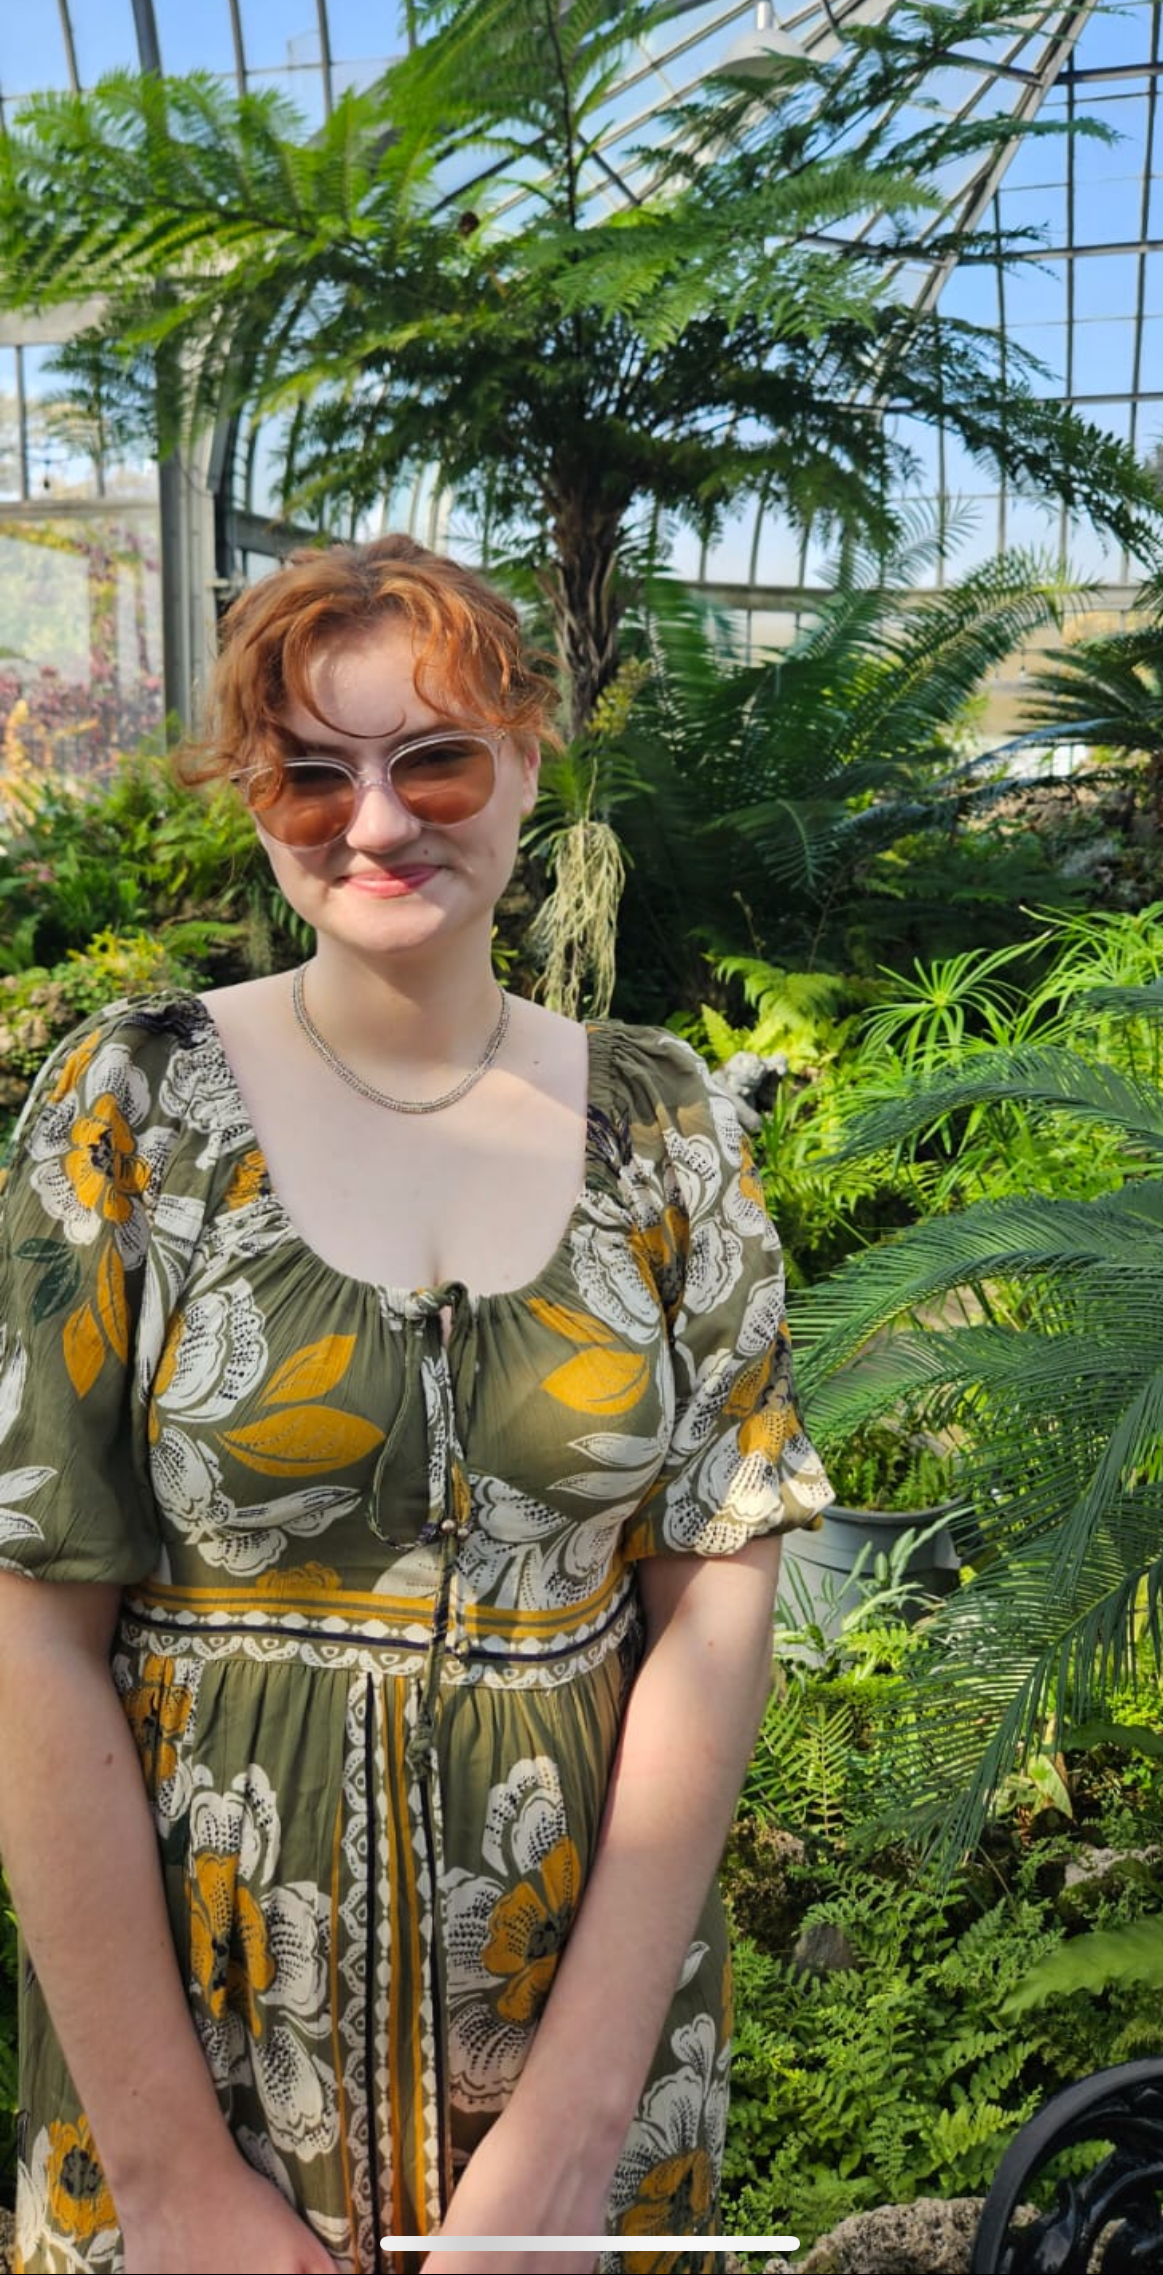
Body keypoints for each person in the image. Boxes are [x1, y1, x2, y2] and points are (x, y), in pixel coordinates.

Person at [0, 535, 832, 2275]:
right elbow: (30, 1626)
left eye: (433, 758)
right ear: (257, 805)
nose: (376, 825)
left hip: (576, 2051)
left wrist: (577, 2134)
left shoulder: (663, 1131)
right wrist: (166, 2174)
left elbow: (711, 1599)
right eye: (311, 777)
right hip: (209, 2063)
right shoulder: (132, 1114)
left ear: (529, 761)